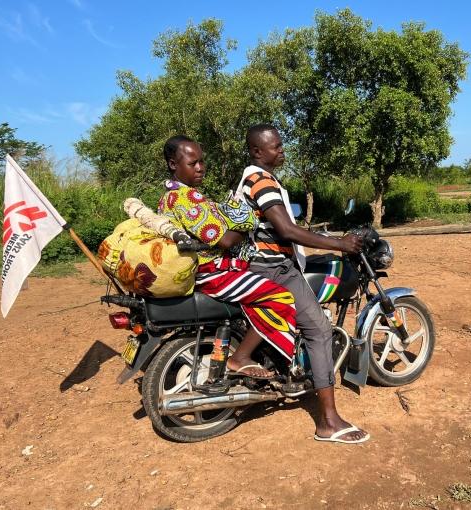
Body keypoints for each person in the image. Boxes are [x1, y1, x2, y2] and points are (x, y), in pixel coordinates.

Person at [237, 123, 369, 444]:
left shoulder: (251, 178)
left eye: (281, 145)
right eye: (275, 146)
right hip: (273, 269)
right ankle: (329, 422)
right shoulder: (260, 179)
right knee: (319, 330)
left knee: (293, 321)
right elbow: (286, 230)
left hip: (257, 266)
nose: (282, 150)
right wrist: (339, 244)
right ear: (257, 152)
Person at [158, 135, 297, 378]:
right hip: (212, 273)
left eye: (202, 161)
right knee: (281, 296)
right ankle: (240, 357)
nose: (200, 168)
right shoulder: (186, 197)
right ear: (173, 164)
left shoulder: (169, 196)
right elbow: (225, 239)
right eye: (193, 163)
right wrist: (246, 225)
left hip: (206, 270)